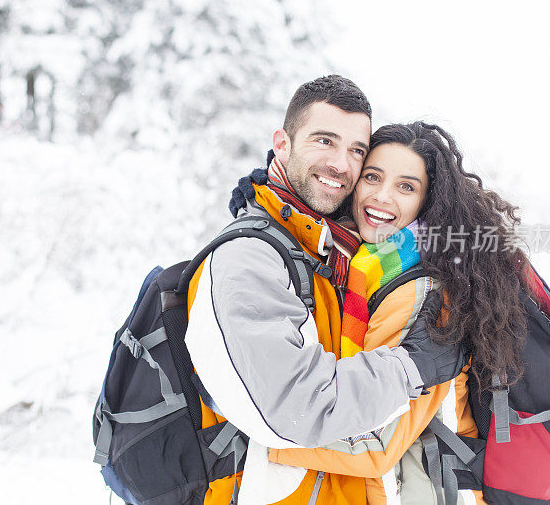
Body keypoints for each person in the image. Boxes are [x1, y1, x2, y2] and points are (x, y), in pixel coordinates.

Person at [184, 76, 467, 504]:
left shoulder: (335, 254)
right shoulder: (251, 256)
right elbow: (297, 409)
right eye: (325, 140)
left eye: (356, 150)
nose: (342, 164)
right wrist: (411, 367)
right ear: (282, 143)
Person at [234, 122, 536, 504]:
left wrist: (258, 434)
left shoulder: (422, 291)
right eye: (372, 177)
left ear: (429, 203)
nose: (381, 197)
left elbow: (374, 442)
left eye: (406, 187)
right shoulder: (365, 265)